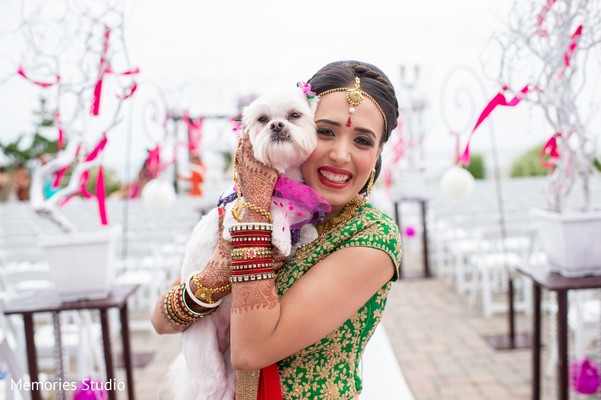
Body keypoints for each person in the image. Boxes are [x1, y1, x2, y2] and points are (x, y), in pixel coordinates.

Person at [151, 60, 402, 399]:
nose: (341, 154)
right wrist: (212, 278)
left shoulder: (371, 236)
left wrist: (254, 213)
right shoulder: (260, 205)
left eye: (362, 140)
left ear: (378, 153)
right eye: (326, 132)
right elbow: (161, 320)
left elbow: (250, 351)